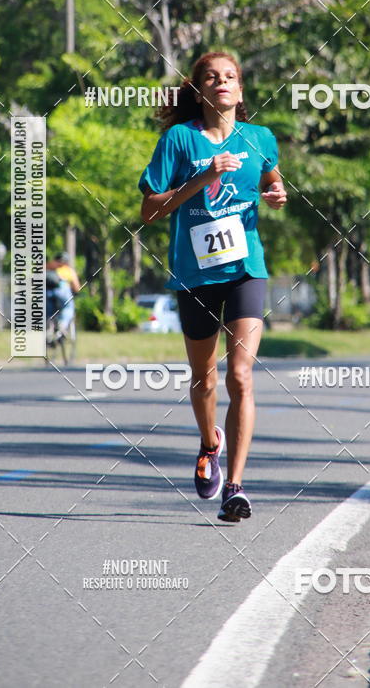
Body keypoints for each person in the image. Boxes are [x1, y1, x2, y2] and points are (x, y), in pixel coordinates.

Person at [139, 52, 286, 522]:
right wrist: (204, 177)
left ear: (240, 92)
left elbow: (271, 178)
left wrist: (276, 192)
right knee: (205, 379)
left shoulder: (260, 138)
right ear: (199, 91)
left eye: (230, 77)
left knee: (240, 375)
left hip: (247, 268)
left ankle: (237, 487)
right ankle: (209, 444)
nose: (221, 82)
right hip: (195, 274)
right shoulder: (178, 140)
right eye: (211, 77)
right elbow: (150, 210)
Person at [46, 251, 81, 340]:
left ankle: (49, 327)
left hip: (47, 292)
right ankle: (62, 325)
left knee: (49, 312)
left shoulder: (48, 266)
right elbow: (77, 288)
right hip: (63, 290)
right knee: (68, 307)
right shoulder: (68, 270)